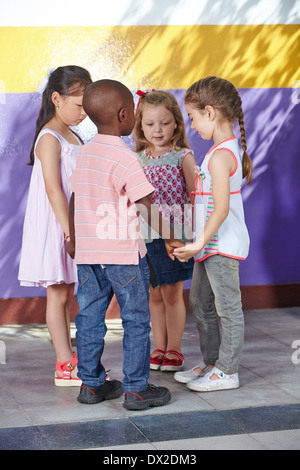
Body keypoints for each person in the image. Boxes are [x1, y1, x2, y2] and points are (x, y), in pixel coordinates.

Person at [67, 79, 181, 409]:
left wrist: (74, 238)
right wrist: (171, 238)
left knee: (89, 318)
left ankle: (90, 385)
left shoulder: (84, 152)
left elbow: (76, 195)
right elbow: (146, 205)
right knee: (135, 320)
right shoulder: (125, 157)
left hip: (88, 255)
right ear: (122, 115)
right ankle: (135, 388)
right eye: (132, 111)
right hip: (122, 256)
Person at [174, 76, 252, 392]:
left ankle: (227, 370)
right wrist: (197, 243)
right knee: (201, 301)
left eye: (192, 117)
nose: (192, 126)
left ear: (210, 112)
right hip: (209, 245)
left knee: (227, 308)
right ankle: (211, 363)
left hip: (220, 245)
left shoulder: (221, 156)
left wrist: (196, 244)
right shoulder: (217, 151)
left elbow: (220, 210)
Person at [18, 66, 92, 386]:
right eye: (78, 105)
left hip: (71, 222)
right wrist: (69, 231)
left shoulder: (72, 134)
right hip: (58, 225)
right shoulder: (49, 137)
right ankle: (63, 363)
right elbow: (53, 189)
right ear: (57, 99)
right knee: (58, 295)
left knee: (65, 293)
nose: (83, 113)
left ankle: (68, 354)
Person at [134, 90, 196, 372]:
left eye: (165, 123)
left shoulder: (183, 156)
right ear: (140, 125)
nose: (157, 130)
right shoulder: (137, 159)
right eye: (150, 124)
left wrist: (192, 233)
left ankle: (175, 349)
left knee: (172, 294)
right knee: (154, 293)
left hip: (176, 233)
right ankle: (159, 347)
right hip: (145, 236)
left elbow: (196, 195)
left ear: (176, 125)